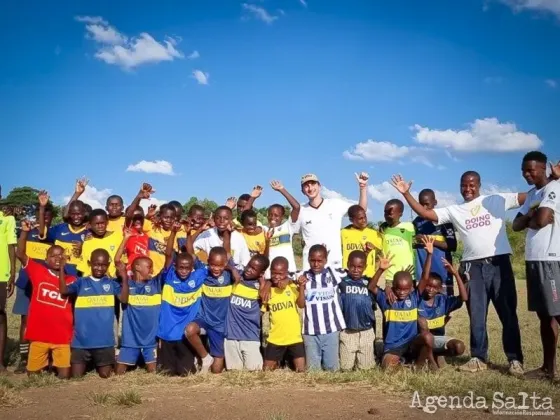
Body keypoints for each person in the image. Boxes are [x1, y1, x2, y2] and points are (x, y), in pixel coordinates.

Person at [390, 172, 528, 375]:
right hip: (472, 266)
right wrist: (406, 194)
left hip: (499, 264)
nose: (468, 188)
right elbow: (426, 213)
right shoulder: (455, 210)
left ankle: (515, 360)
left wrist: (551, 182)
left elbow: (530, 196)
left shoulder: (495, 200)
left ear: (479, 184)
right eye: (464, 185)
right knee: (477, 316)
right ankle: (478, 357)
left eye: (472, 184)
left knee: (507, 314)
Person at [512, 151, 560, 380]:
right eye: (524, 170)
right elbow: (516, 225)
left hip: (551, 259)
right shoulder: (533, 194)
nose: (527, 174)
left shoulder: (554, 188)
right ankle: (548, 369)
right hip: (534, 260)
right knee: (544, 316)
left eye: (531, 169)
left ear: (544, 169)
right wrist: (532, 215)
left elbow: (542, 221)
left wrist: (531, 219)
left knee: (557, 313)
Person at [15, 220, 75, 378]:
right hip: (39, 336)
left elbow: (65, 291)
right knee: (33, 376)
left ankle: (54, 364)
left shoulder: (72, 280)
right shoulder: (38, 271)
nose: (57, 258)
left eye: (60, 255)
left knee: (64, 377)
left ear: (66, 258)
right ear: (46, 259)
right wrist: (24, 232)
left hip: (61, 338)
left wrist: (62, 269)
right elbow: (20, 253)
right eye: (53, 256)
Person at [58, 249, 129, 378]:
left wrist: (124, 277)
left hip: (104, 342)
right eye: (96, 264)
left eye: (103, 265)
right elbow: (63, 290)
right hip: (81, 342)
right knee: (76, 376)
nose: (99, 268)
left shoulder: (111, 284)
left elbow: (124, 299)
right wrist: (62, 269)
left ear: (108, 265)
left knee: (105, 375)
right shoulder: (81, 282)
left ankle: (104, 360)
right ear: (90, 263)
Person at [114, 224, 174, 374]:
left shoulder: (156, 283)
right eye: (149, 266)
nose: (152, 270)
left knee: (153, 372)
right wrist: (126, 238)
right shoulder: (127, 284)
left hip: (150, 341)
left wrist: (173, 232)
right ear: (138, 268)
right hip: (130, 340)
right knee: (119, 373)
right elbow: (117, 261)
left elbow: (168, 257)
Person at [368, 240, 437, 371]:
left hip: (412, 342)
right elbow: (371, 287)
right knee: (388, 368)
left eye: (406, 289)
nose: (402, 292)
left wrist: (429, 255)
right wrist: (381, 270)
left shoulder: (414, 297)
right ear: (392, 286)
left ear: (411, 287)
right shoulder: (387, 299)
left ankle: (418, 365)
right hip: (393, 346)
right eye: (398, 289)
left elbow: (424, 277)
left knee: (428, 337)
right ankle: (404, 363)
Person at [156, 226, 207, 377]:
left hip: (184, 336)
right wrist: (173, 232)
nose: (183, 271)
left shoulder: (198, 277)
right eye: (180, 268)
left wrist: (189, 233)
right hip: (167, 334)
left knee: (186, 373)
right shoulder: (169, 277)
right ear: (175, 267)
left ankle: (195, 359)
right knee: (166, 374)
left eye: (187, 268)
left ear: (192, 268)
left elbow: (191, 254)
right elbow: (168, 254)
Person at [12, 191, 54, 374]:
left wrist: (44, 206)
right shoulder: (27, 232)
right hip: (27, 283)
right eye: (40, 215)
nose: (43, 219)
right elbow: (19, 252)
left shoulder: (53, 236)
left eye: (47, 216)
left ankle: (46, 358)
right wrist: (24, 233)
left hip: (45, 285)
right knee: (25, 321)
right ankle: (23, 359)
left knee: (46, 321)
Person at [295, 173, 369, 270]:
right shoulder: (300, 210)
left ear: (319, 186)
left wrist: (363, 187)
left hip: (334, 264)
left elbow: (361, 210)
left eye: (313, 184)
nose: (310, 188)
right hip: (311, 266)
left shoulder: (335, 204)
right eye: (306, 185)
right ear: (302, 191)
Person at [417, 235, 467, 368]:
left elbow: (464, 298)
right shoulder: (417, 298)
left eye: (434, 287)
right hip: (419, 342)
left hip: (437, 340)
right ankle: (427, 359)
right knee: (422, 324)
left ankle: (436, 355)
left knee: (459, 347)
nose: (430, 289)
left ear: (440, 289)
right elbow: (424, 276)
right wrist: (429, 254)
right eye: (428, 285)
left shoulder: (442, 301)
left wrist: (456, 274)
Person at [184, 246, 236, 374]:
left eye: (220, 265)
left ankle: (215, 358)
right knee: (189, 330)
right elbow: (191, 254)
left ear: (225, 264)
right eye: (213, 264)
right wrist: (190, 233)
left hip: (219, 324)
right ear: (208, 261)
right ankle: (205, 357)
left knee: (216, 371)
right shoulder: (204, 272)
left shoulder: (229, 275)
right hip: (203, 319)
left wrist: (232, 268)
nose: (216, 268)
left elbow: (238, 278)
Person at [300, 244, 346, 371]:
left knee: (332, 369)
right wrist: (301, 286)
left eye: (319, 261)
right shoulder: (303, 276)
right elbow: (283, 278)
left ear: (326, 260)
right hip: (310, 331)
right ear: (308, 259)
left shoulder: (334, 274)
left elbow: (355, 271)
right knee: (313, 370)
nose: (316, 264)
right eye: (312, 260)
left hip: (331, 329)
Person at [126, 183, 186, 274]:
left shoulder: (177, 231)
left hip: (167, 275)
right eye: (165, 217)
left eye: (172, 218)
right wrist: (139, 196)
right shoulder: (152, 227)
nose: (168, 220)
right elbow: (130, 215)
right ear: (160, 216)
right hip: (150, 275)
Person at [224, 255, 269, 371]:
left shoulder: (262, 289)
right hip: (231, 336)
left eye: (254, 269)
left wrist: (266, 285)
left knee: (255, 371)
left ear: (261, 273)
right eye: (249, 265)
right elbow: (223, 262)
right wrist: (232, 269)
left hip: (250, 337)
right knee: (234, 372)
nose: (249, 269)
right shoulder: (237, 277)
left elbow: (261, 312)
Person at [262, 257, 306, 372]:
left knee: (301, 370)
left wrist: (301, 287)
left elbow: (301, 305)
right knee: (267, 371)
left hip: (294, 337)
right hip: (275, 338)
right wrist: (268, 283)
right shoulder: (268, 291)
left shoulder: (291, 287)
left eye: (281, 274)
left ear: (286, 273)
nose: (277, 276)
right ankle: (279, 361)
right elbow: (262, 305)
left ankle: (285, 360)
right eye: (274, 273)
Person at [413, 189, 457, 295]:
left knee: (443, 306)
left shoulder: (444, 221)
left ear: (435, 202)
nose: (424, 208)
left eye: (427, 204)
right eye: (421, 204)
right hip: (423, 274)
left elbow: (452, 246)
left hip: (442, 273)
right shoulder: (415, 223)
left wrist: (430, 240)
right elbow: (414, 244)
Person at [338, 250, 377, 371]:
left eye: (360, 267)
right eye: (352, 266)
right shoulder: (342, 283)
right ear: (348, 265)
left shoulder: (369, 283)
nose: (356, 270)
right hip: (348, 332)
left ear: (365, 267)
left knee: (366, 369)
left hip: (366, 332)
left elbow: (374, 308)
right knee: (345, 368)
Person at [45, 182, 87, 276]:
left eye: (79, 214)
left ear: (84, 214)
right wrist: (76, 193)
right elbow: (42, 235)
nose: (76, 217)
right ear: (69, 214)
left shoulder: (89, 232)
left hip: (78, 280)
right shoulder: (60, 229)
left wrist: (83, 248)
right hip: (58, 278)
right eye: (73, 214)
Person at [264, 180, 300, 277]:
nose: (273, 218)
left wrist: (281, 190)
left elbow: (296, 207)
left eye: (276, 215)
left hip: (289, 273)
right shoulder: (264, 230)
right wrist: (253, 197)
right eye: (270, 215)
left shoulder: (288, 227)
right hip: (270, 275)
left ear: (282, 217)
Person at [380, 199, 415, 286]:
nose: (387, 216)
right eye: (385, 213)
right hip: (390, 276)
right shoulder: (383, 230)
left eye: (390, 213)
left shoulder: (409, 227)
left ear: (400, 213)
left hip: (408, 273)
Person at [341, 204, 382, 279]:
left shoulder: (374, 234)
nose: (364, 220)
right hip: (348, 276)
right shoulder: (343, 233)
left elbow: (386, 248)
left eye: (365, 217)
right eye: (360, 218)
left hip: (368, 276)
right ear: (351, 220)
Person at [76, 209, 121, 277]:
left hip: (113, 282)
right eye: (96, 224)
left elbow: (122, 263)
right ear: (90, 224)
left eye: (102, 223)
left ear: (107, 222)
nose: (100, 226)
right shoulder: (87, 242)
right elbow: (84, 267)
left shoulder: (118, 237)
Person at [0, 202, 17, 372]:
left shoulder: (7, 218)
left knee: (0, 315)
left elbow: (11, 245)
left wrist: (12, 272)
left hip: (1, 274)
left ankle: (0, 363)